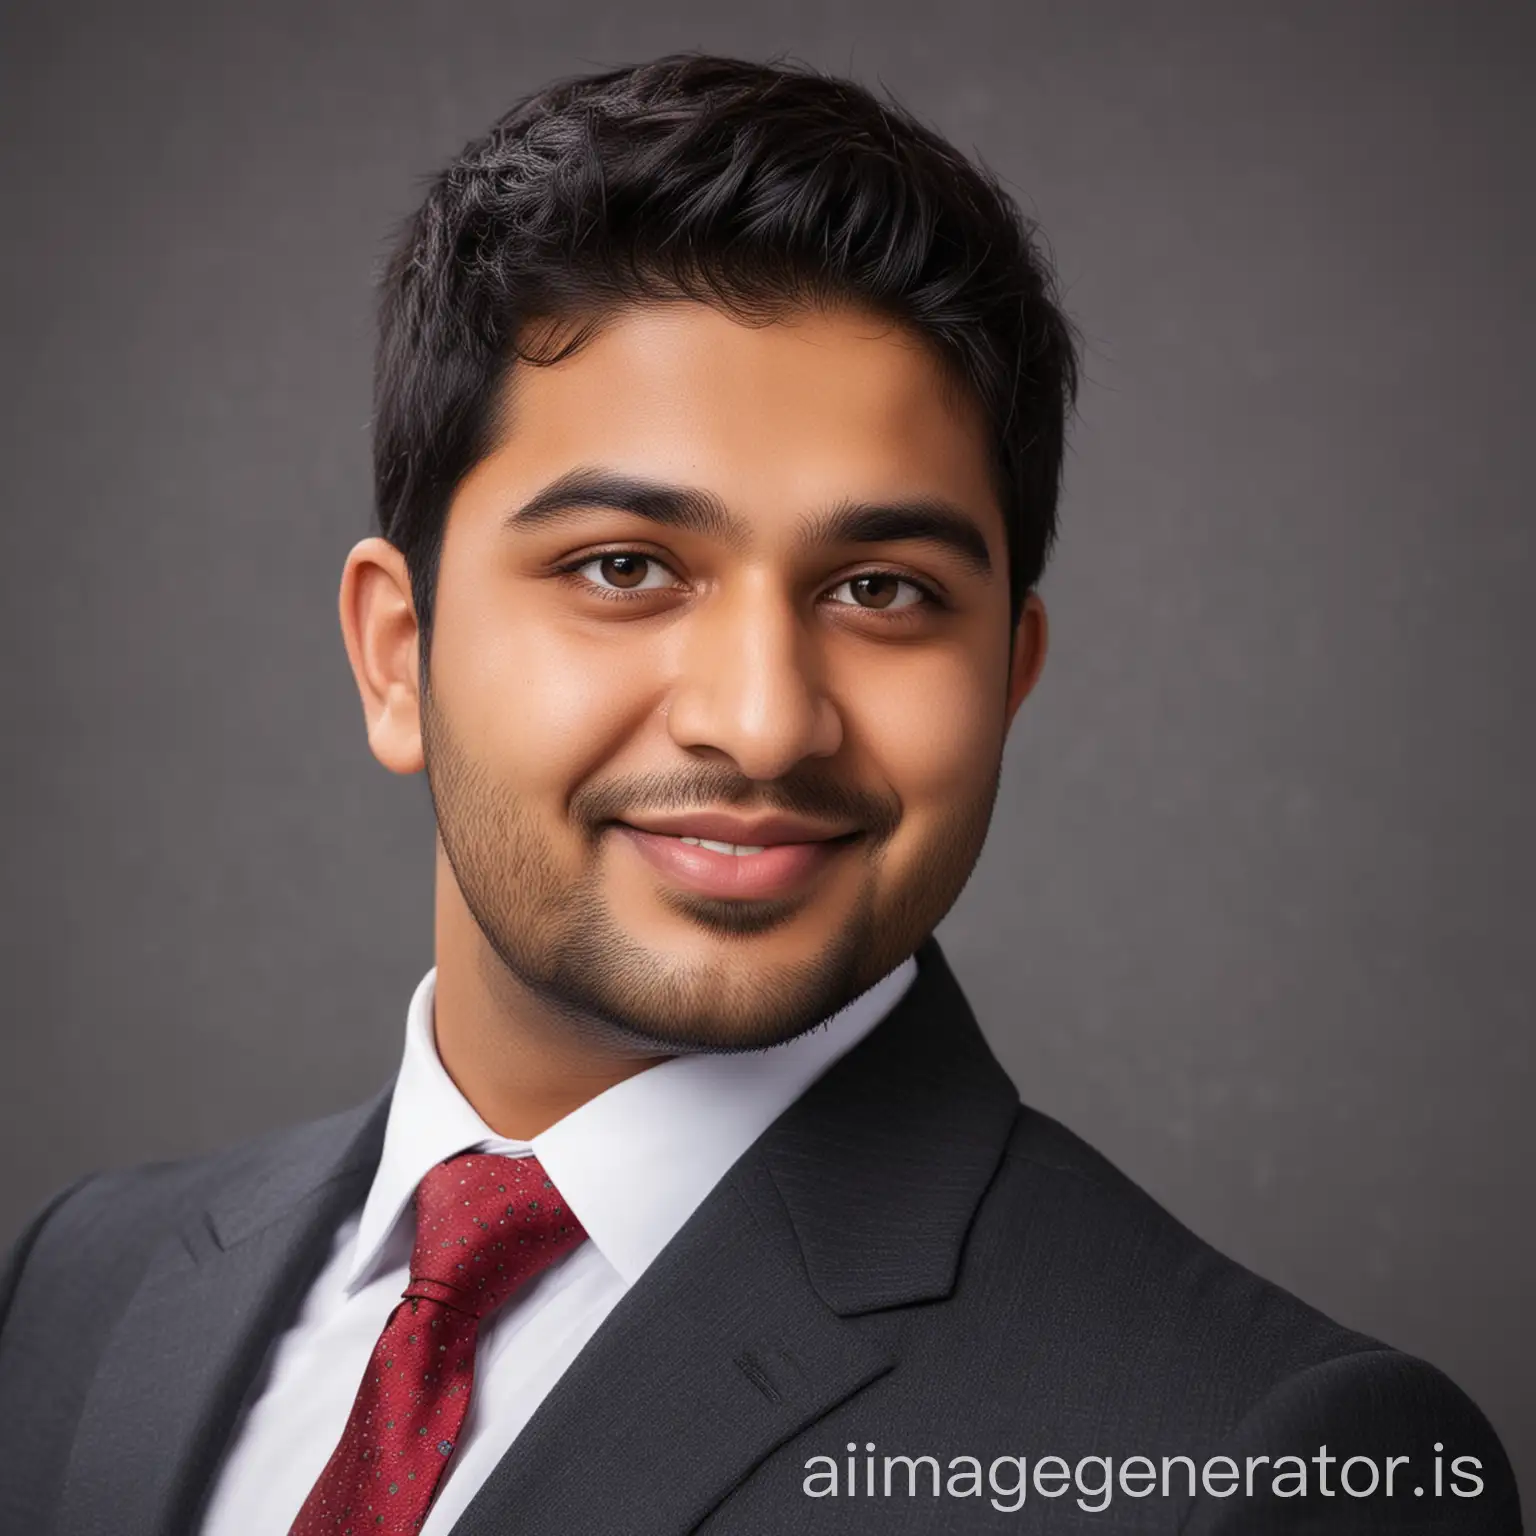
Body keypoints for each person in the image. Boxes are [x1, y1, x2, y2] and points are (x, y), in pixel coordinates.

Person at [0, 52, 1519, 1536]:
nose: (764, 721)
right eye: (624, 568)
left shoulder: (1277, 1464)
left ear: (1009, 674)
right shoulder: (77, 1290)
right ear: (400, 655)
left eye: (881, 589)